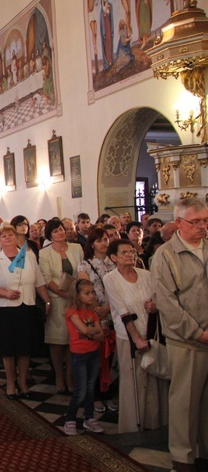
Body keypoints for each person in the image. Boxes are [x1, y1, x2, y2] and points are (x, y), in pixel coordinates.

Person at [151, 198, 208, 471]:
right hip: (186, 341)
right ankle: (183, 459)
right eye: (195, 222)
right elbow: (167, 303)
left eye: (205, 221)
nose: (202, 226)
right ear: (179, 224)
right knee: (185, 403)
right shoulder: (166, 255)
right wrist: (198, 333)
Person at [104, 239, 168, 434]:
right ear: (114, 257)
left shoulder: (146, 275)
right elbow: (122, 311)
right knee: (133, 379)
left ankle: (156, 421)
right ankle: (133, 425)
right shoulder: (110, 279)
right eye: (124, 253)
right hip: (128, 335)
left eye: (131, 251)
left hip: (150, 331)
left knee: (154, 377)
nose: (129, 255)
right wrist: (137, 338)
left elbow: (159, 297)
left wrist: (156, 306)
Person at [0, 225, 51, 399]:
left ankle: (22, 381)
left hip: (26, 305)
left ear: (17, 238)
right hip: (6, 308)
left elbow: (39, 282)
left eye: (11, 235)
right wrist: (6, 293)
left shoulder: (28, 256)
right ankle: (11, 383)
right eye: (4, 235)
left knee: (24, 347)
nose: (7, 238)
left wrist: (47, 300)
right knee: (8, 347)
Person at [39, 218, 84, 394]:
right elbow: (47, 278)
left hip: (75, 300)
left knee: (72, 340)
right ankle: (59, 374)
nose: (60, 233)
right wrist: (64, 294)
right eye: (56, 230)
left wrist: (76, 294)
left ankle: (70, 376)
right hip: (57, 300)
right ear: (50, 234)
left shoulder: (76, 248)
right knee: (58, 342)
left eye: (61, 230)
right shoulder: (45, 253)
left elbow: (81, 271)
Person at [76, 227, 117, 413]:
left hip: (114, 312)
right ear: (92, 244)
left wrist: (109, 309)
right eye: (100, 240)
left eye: (106, 239)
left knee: (111, 358)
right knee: (95, 359)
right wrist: (98, 317)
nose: (104, 243)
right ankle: (94, 397)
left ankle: (109, 393)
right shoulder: (85, 265)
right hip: (94, 316)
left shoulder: (114, 263)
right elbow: (85, 294)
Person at [63, 279, 105, 436]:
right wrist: (92, 331)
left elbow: (100, 335)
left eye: (92, 292)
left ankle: (89, 417)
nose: (91, 296)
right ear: (78, 295)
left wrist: (91, 331)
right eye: (87, 293)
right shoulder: (72, 312)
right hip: (79, 354)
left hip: (94, 352)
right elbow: (85, 330)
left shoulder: (92, 312)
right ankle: (70, 419)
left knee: (90, 387)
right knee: (80, 390)